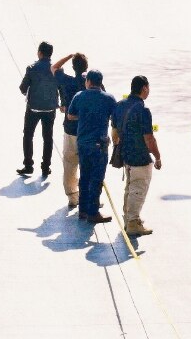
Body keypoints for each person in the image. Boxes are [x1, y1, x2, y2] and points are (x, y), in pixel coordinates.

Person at [111, 75, 162, 237]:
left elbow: (114, 133)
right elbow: (149, 138)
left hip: (126, 153)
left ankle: (129, 219)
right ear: (144, 88)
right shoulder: (143, 110)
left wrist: (119, 147)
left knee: (130, 187)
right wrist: (158, 156)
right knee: (138, 188)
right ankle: (133, 222)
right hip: (140, 156)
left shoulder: (119, 106)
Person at [65, 70, 117, 224]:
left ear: (88, 81)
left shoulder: (80, 96)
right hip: (99, 144)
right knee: (97, 178)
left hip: (83, 142)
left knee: (84, 176)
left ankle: (83, 211)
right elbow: (115, 117)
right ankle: (93, 212)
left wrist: (84, 116)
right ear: (101, 83)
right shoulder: (109, 98)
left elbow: (70, 115)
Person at [52, 51, 89, 209]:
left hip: (69, 129)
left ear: (73, 67)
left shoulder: (66, 81)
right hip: (87, 130)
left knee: (69, 164)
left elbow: (54, 67)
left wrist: (68, 57)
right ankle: (88, 196)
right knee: (88, 165)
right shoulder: (91, 83)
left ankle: (73, 197)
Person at [17, 42, 58, 178]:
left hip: (33, 108)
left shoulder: (31, 68)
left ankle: (28, 165)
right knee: (48, 138)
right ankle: (46, 167)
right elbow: (62, 88)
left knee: (28, 135)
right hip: (50, 109)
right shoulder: (57, 70)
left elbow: (23, 88)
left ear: (39, 53)